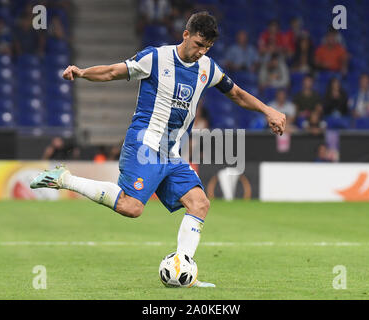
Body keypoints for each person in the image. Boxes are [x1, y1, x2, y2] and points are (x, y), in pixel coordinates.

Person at [30, 11, 286, 288]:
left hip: (172, 152)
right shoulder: (155, 57)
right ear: (185, 34)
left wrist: (267, 109)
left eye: (207, 48)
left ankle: (183, 268)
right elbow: (114, 71)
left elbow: (236, 93)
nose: (201, 52)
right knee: (132, 207)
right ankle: (65, 179)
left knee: (199, 203)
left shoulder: (207, 68)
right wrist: (81, 72)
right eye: (199, 44)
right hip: (145, 143)